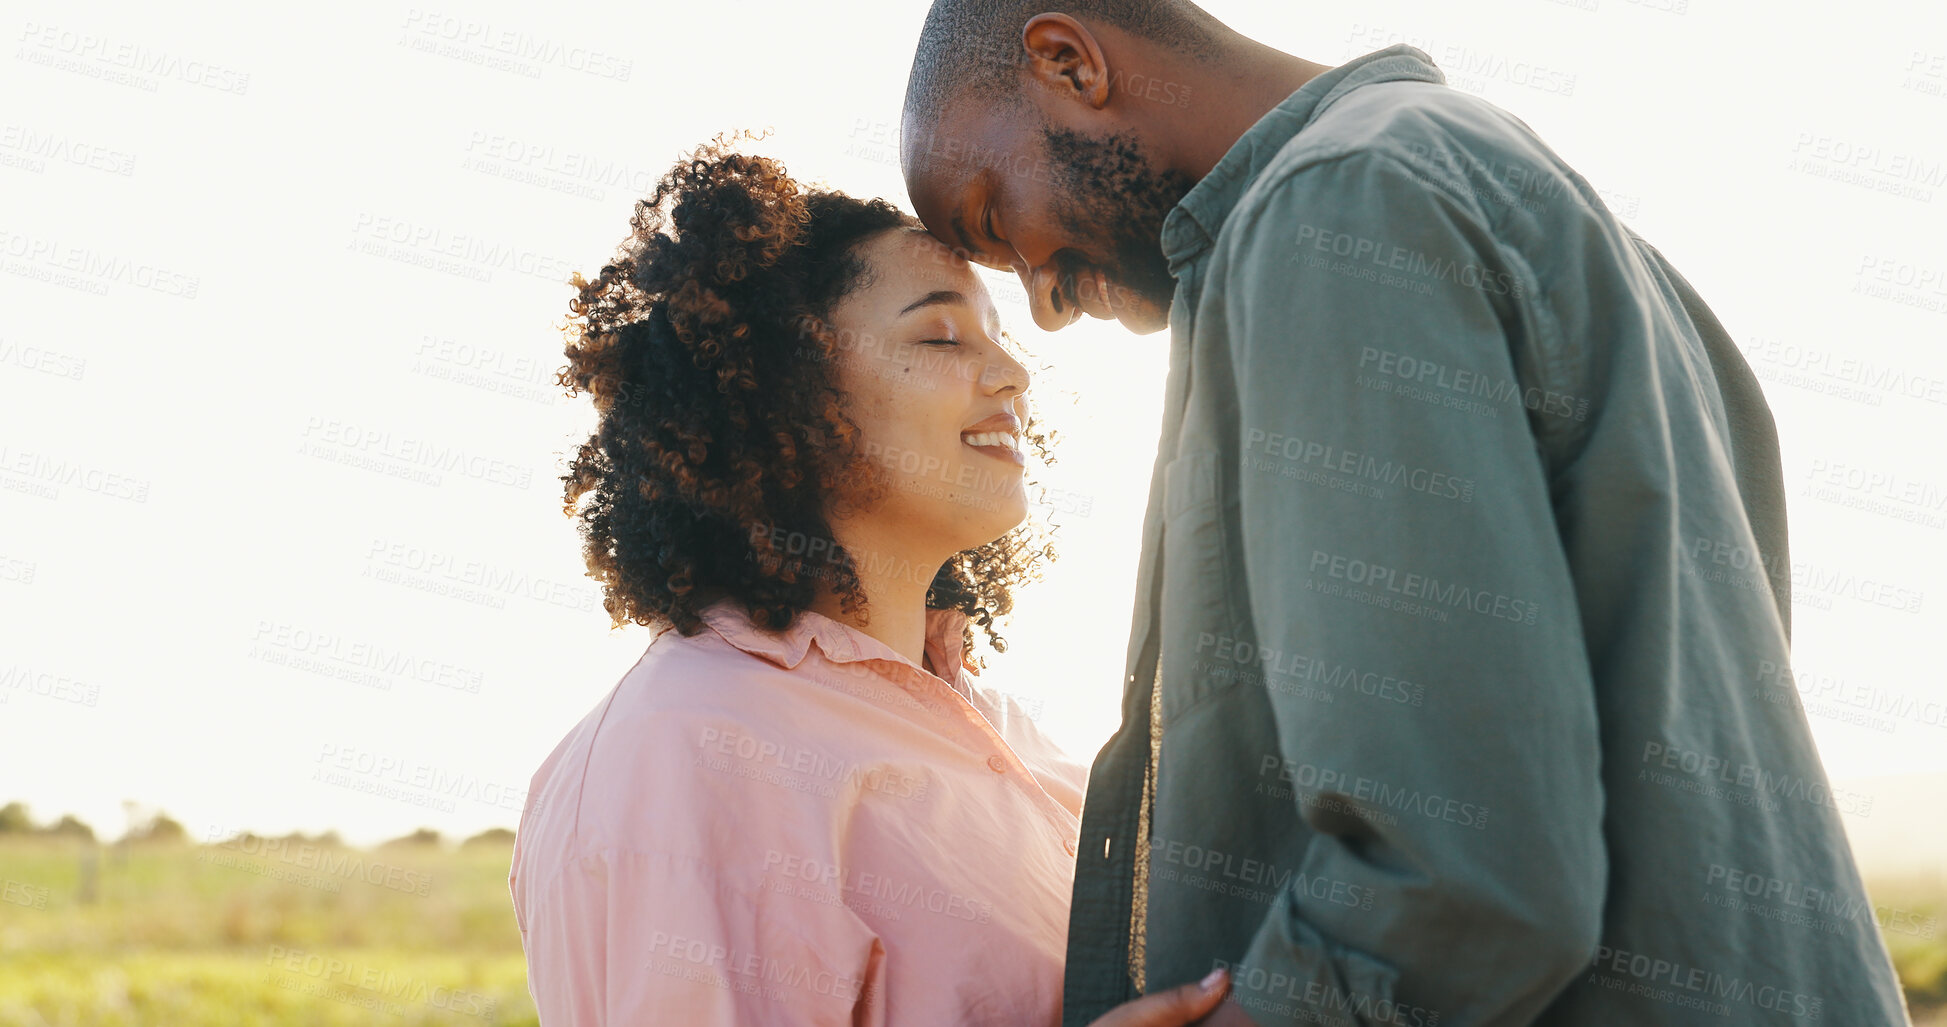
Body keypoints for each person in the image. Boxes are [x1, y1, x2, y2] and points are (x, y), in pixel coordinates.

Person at [898, 5, 1912, 1026]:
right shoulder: (1548, 212)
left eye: (995, 222)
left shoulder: (1335, 210)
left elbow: (1465, 866)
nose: (1043, 304)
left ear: (1067, 59)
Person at [509, 137, 1233, 1025]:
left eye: (999, 340)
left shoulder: (1003, 730)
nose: (1012, 375)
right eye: (939, 334)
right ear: (783, 388)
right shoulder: (688, 747)